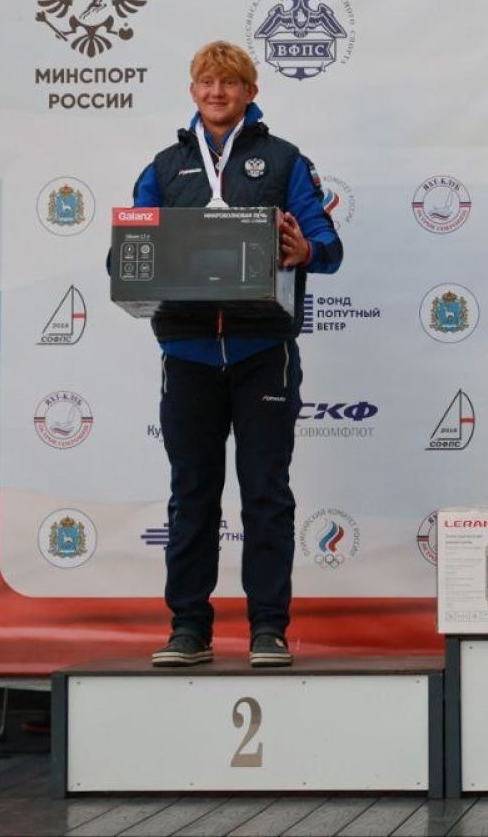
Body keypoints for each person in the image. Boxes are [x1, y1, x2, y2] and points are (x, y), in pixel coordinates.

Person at [124, 40, 343, 668]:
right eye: (206, 82)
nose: (216, 92)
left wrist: (306, 250)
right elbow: (130, 248)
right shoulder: (165, 167)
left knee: (265, 493)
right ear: (193, 91)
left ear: (251, 91)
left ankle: (268, 628)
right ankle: (189, 629)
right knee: (191, 493)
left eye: (229, 83)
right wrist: (128, 259)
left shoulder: (285, 160)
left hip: (262, 349)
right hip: (188, 351)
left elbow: (327, 244)